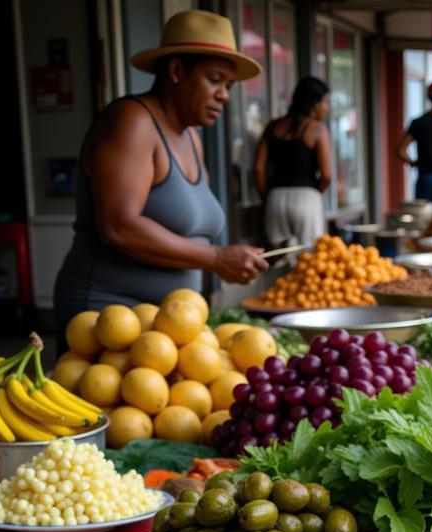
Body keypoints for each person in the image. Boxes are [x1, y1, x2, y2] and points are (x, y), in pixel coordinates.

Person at [53, 11, 267, 337]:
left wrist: (231, 258)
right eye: (214, 80)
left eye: (229, 85)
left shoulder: (192, 137)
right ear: (177, 71)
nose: (224, 95)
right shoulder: (132, 121)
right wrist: (215, 257)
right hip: (107, 318)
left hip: (168, 324)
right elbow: (118, 226)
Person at [253, 77, 331, 248]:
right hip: (307, 198)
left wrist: (267, 197)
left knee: (278, 258)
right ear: (314, 104)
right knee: (309, 260)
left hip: (275, 198)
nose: (328, 108)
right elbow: (326, 175)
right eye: (326, 102)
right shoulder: (318, 129)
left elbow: (258, 168)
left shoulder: (273, 127)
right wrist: (315, 192)